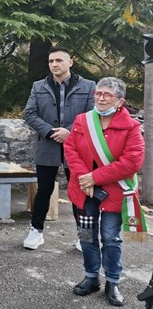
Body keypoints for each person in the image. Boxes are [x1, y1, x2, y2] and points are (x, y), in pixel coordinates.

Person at [64, 77, 145, 306]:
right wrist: (84, 178)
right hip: (85, 191)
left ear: (120, 100)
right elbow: (71, 149)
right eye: (98, 93)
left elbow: (132, 162)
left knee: (110, 238)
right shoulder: (83, 121)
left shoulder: (131, 127)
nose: (100, 98)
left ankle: (112, 281)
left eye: (107, 95)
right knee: (87, 236)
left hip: (114, 193)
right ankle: (91, 278)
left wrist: (95, 177)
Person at [23, 45, 95, 250]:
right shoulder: (39, 86)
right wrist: (50, 131)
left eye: (59, 60)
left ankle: (84, 236)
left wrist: (69, 132)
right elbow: (29, 114)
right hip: (47, 144)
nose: (54, 64)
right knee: (43, 190)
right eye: (51, 61)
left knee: (80, 191)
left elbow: (92, 114)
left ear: (70, 62)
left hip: (78, 148)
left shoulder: (89, 86)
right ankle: (36, 231)